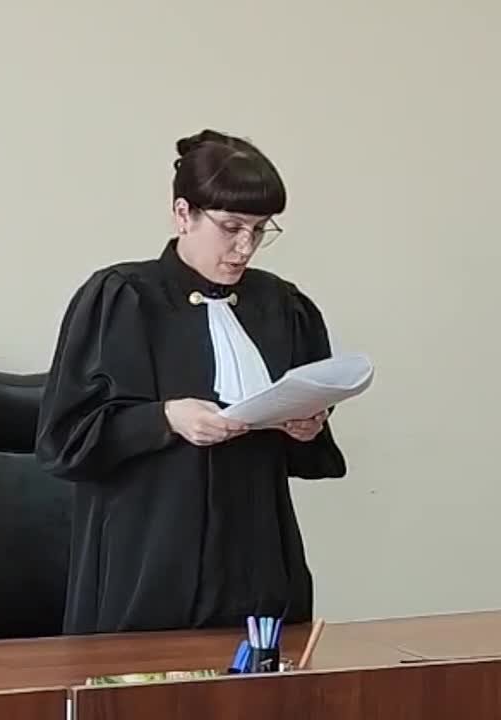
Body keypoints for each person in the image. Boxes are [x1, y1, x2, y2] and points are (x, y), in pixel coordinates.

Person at [35, 128, 347, 636]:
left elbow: (305, 447)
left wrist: (307, 427)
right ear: (184, 214)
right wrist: (165, 418)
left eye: (260, 230)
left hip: (259, 562)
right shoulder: (123, 297)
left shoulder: (281, 305)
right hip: (148, 567)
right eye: (231, 227)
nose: (245, 247)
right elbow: (64, 440)